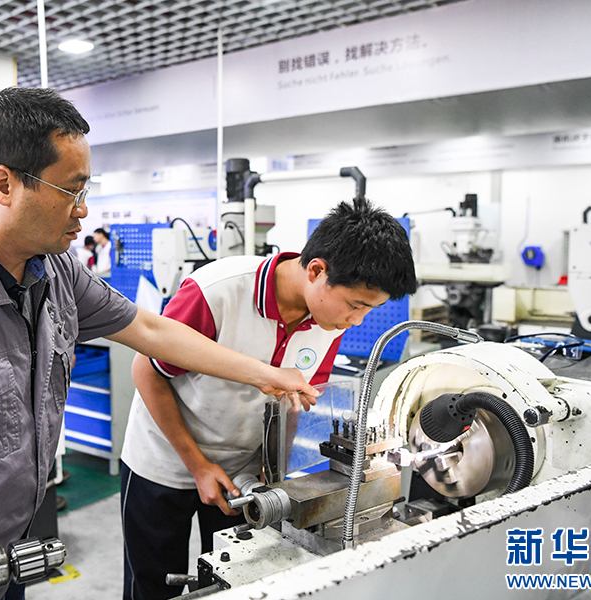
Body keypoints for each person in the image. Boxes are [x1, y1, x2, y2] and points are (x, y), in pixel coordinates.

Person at [0, 87, 317, 600]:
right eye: (73, 191)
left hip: (6, 560)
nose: (83, 211)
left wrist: (268, 375)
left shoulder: (54, 271)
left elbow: (151, 330)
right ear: (3, 185)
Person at [120, 198, 418, 600]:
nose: (356, 321)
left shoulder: (329, 321)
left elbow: (294, 401)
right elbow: (147, 371)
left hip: (240, 474)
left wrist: (271, 471)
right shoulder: (218, 291)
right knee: (154, 585)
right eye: (355, 305)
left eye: (369, 310)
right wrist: (197, 465)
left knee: (230, 578)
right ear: (317, 271)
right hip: (164, 460)